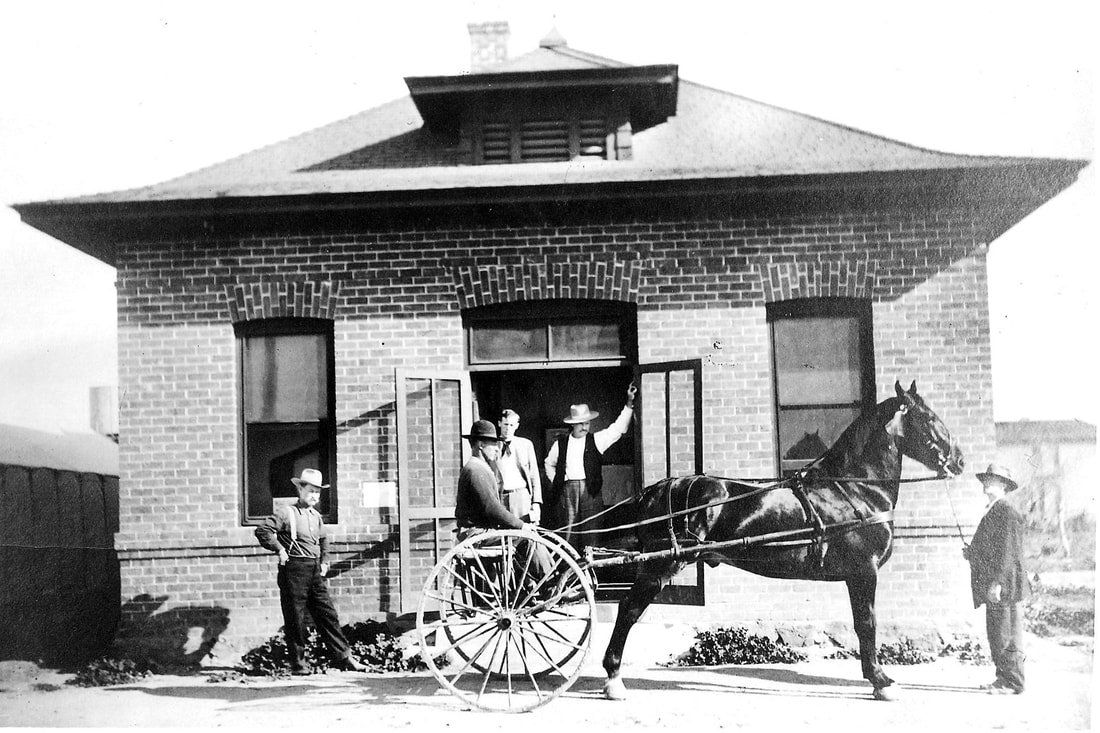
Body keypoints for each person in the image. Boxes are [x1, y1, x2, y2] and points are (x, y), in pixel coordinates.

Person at [255, 469, 365, 675]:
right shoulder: (286, 513)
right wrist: (279, 550)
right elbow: (263, 531)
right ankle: (298, 665)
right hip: (294, 570)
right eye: (311, 491)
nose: (314, 496)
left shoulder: (316, 516)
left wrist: (324, 561)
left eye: (318, 492)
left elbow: (324, 539)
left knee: (327, 614)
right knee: (295, 618)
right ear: (300, 489)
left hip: (314, 570)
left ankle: (344, 657)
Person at [456, 419, 553, 586]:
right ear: (480, 445)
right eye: (492, 444)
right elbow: (492, 508)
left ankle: (535, 584)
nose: (496, 448)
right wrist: (521, 525)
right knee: (527, 538)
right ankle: (550, 582)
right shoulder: (475, 470)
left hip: (483, 531)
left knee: (527, 536)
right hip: (476, 534)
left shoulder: (479, 468)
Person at [544, 383, 636, 553]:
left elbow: (618, 429)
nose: (585, 427)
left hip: (591, 491)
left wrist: (629, 404)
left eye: (587, 423)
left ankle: (590, 574)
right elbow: (548, 464)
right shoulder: (560, 444)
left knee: (591, 534)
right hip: (567, 492)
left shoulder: (597, 440)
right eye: (581, 424)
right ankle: (569, 574)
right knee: (568, 535)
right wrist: (558, 482)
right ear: (573, 424)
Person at [963, 463, 1028, 695]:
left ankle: (1013, 683)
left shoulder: (1006, 512)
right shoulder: (993, 510)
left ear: (1004, 486)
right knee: (997, 632)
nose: (986, 483)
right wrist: (972, 552)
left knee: (1006, 634)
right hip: (998, 583)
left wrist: (997, 582)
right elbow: (992, 547)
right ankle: (1003, 679)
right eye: (986, 479)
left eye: (993, 479)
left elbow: (1009, 552)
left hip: (1004, 585)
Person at [496, 409, 543, 525]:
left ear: (516, 426)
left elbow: (534, 475)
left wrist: (536, 502)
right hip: (500, 498)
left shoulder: (525, 445)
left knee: (524, 535)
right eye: (505, 424)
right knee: (502, 534)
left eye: (511, 425)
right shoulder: (492, 446)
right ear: (499, 423)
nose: (508, 428)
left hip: (521, 497)